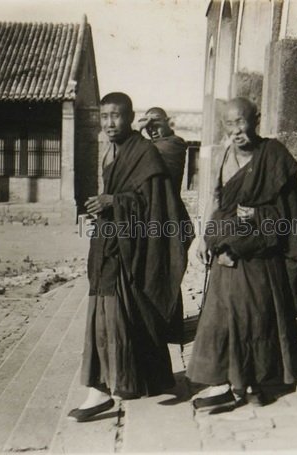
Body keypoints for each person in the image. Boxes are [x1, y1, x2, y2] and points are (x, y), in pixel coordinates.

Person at [186, 97, 297, 411]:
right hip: (225, 251)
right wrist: (205, 239)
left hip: (260, 255)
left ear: (256, 120)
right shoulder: (224, 156)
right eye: (229, 124)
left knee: (254, 320)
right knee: (220, 318)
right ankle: (226, 381)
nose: (236, 130)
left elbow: (292, 214)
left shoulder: (274, 156)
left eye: (242, 121)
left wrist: (258, 214)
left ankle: (252, 383)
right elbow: (217, 200)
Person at [68, 92, 192, 422]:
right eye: (104, 116)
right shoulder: (117, 151)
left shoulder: (145, 154)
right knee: (117, 315)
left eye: (117, 116)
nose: (110, 123)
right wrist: (107, 208)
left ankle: (101, 390)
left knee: (112, 317)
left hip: (130, 250)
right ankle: (129, 381)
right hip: (111, 243)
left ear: (130, 116)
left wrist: (114, 203)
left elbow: (154, 205)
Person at [137, 107, 187, 195]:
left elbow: (137, 151)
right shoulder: (151, 144)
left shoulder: (175, 143)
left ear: (167, 122)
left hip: (167, 203)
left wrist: (138, 129)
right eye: (148, 128)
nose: (153, 131)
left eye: (157, 126)